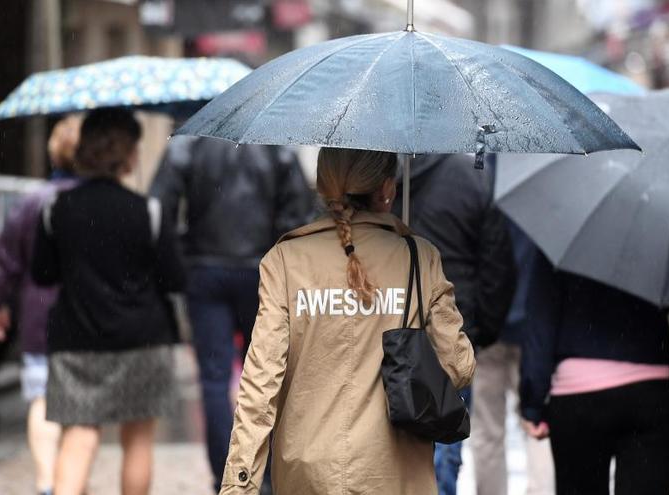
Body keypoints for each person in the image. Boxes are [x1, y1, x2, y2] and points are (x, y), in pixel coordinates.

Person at [219, 148, 475, 494]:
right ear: (387, 188)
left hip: (306, 475)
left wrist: (239, 485)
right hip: (394, 474)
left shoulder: (285, 260)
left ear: (324, 186)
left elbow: (260, 385)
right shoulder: (419, 258)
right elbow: (457, 367)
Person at [31, 108, 185, 495]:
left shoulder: (55, 210)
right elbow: (175, 279)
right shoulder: (148, 211)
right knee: (137, 440)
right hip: (143, 340)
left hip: (77, 339)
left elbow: (42, 273)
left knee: (80, 437)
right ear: (128, 153)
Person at [150, 136, 314, 491]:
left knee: (212, 379)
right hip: (260, 267)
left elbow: (159, 207)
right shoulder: (275, 144)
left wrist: (179, 260)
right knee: (267, 377)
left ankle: (225, 473)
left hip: (205, 269)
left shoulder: (189, 143)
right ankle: (266, 474)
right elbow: (299, 211)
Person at [520, 255, 669, 495]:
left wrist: (533, 402)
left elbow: (541, 322)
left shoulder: (559, 237)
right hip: (654, 394)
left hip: (579, 397)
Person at [391, 153, 516, 495]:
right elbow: (498, 266)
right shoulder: (474, 176)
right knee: (444, 447)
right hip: (454, 331)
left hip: (389, 328)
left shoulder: (382, 173)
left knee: (388, 447)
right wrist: (482, 330)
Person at [0, 115, 81, 495]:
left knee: (42, 397)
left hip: (38, 313)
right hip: (85, 315)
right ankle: (71, 479)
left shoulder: (31, 201)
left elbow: (7, 258)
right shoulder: (94, 201)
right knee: (78, 401)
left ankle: (46, 479)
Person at [471, 218, 555, 495]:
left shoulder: (485, 189)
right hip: (535, 330)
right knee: (538, 424)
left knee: (487, 431)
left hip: (489, 330)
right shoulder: (544, 203)